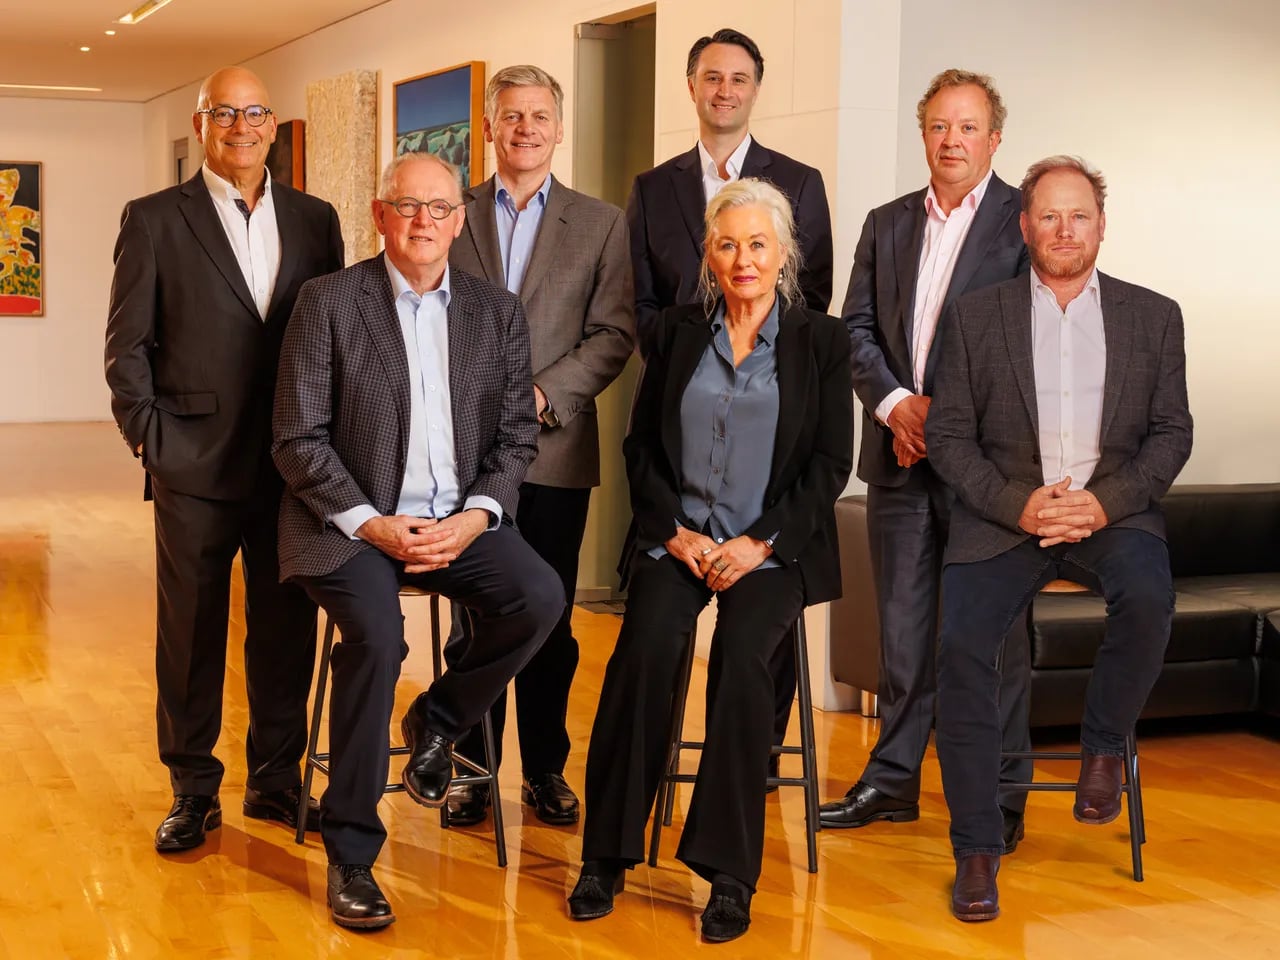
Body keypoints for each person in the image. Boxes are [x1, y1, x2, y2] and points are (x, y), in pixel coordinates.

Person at [271, 152, 563, 930]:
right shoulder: (328, 302)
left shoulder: (494, 312)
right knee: (376, 634)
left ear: (460, 222)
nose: (424, 222)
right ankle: (354, 855)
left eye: (439, 209)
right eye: (408, 207)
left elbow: (513, 439)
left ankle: (437, 722)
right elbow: (297, 438)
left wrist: (475, 517)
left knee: (539, 597)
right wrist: (372, 523)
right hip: (352, 526)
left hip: (456, 521)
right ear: (378, 215)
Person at [568, 178, 853, 944]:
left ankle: (730, 873)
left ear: (784, 251)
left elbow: (831, 465)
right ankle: (608, 853)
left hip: (770, 551)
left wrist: (757, 543)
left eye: (758, 243)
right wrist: (678, 533)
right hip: (679, 539)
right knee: (645, 649)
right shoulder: (676, 335)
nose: (743, 258)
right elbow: (640, 447)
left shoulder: (821, 342)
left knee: (743, 664)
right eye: (727, 244)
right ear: (708, 254)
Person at [927, 156, 1192, 921]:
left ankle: (1104, 746)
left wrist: (1104, 506)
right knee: (963, 649)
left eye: (1079, 216)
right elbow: (948, 437)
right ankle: (977, 848)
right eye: (1049, 216)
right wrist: (1022, 506)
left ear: (1102, 226)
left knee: (1149, 598)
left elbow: (1173, 433)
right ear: (1025, 227)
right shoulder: (979, 315)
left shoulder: (1155, 315)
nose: (1064, 230)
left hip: (1111, 514)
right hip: (1007, 518)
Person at [103, 66, 344, 853]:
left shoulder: (317, 219)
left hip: (292, 467)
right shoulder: (153, 219)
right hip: (193, 464)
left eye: (255, 112)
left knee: (284, 629)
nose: (241, 126)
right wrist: (152, 439)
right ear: (202, 124)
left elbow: (334, 339)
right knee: (193, 629)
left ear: (274, 125)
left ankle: (274, 785)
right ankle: (192, 790)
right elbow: (126, 350)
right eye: (224, 112)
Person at [821, 68, 1033, 845]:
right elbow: (855, 329)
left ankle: (1001, 793)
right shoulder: (886, 223)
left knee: (994, 636)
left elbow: (1032, 342)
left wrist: (949, 420)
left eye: (968, 127)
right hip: (899, 460)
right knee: (903, 633)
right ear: (923, 136)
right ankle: (893, 781)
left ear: (995, 139)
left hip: (988, 473)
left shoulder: (1023, 223)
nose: (952, 141)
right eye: (939, 127)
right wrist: (894, 405)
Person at [627, 26, 833, 770]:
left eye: (739, 78)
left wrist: (752, 358)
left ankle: (744, 777)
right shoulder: (654, 187)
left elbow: (812, 300)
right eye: (711, 77)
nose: (725, 90)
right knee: (647, 643)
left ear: (755, 87)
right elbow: (640, 300)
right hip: (683, 403)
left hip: (768, 451)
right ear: (692, 87)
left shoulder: (800, 180)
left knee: (752, 654)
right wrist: (690, 355)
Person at [443, 64, 635, 828]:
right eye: (511, 116)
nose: (525, 129)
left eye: (538, 117)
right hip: (457, 453)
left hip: (554, 454)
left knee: (550, 619)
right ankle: (469, 770)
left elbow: (615, 332)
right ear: (489, 128)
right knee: (473, 620)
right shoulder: (448, 213)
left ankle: (547, 768)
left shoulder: (601, 224)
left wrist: (544, 394)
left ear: (559, 128)